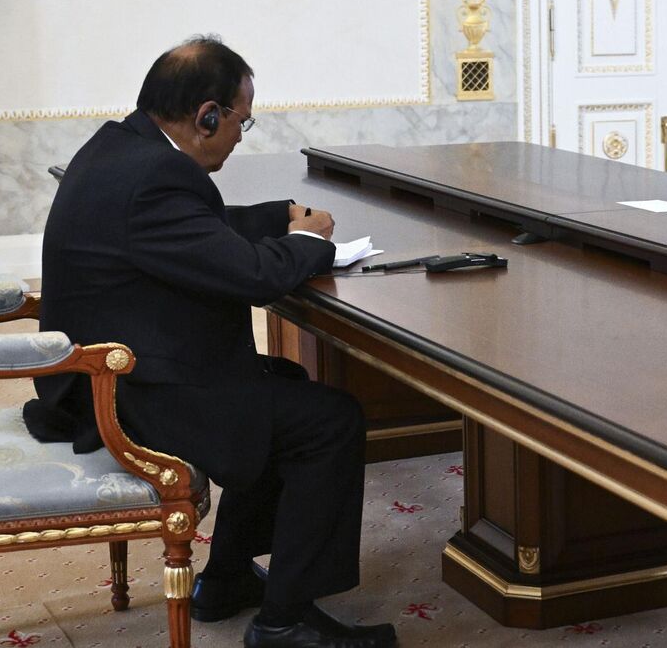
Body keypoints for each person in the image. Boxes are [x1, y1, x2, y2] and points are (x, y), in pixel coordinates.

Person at [23, 36, 396, 648]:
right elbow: (251, 277)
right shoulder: (157, 177)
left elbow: (194, 231)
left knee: (284, 386)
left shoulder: (122, 147)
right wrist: (308, 244)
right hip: (129, 393)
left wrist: (280, 216)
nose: (241, 136)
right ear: (207, 116)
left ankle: (225, 580)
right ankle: (287, 621)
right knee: (329, 421)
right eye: (241, 122)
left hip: (106, 373)